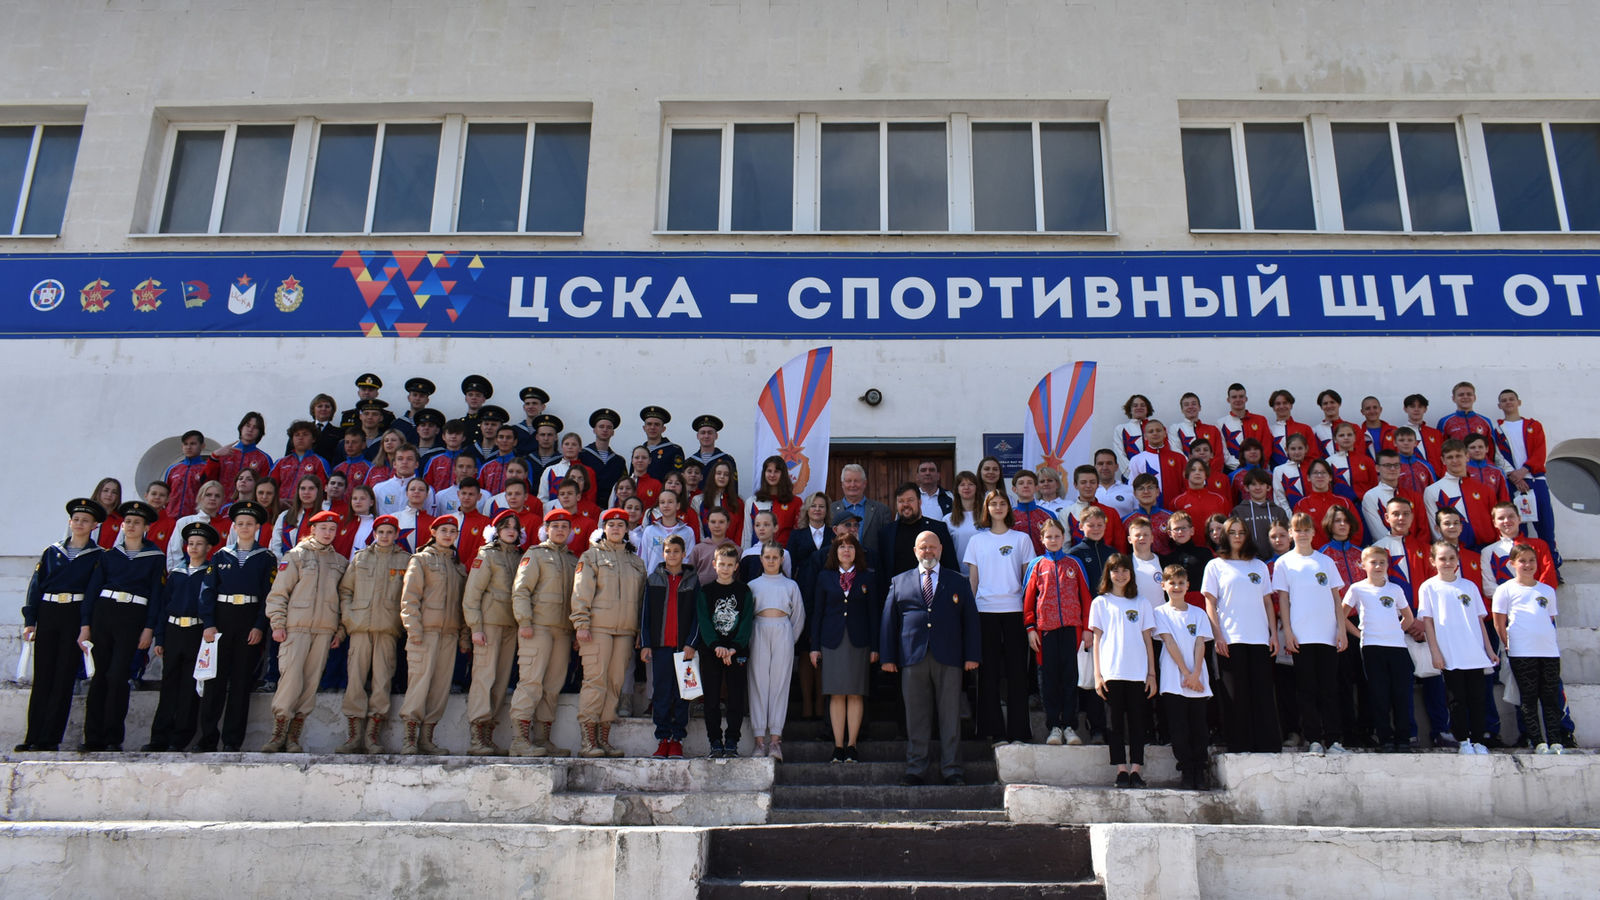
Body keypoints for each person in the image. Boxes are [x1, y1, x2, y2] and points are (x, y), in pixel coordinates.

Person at [881, 531, 981, 786]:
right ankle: (915, 769)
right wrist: (888, 656)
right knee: (916, 716)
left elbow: (970, 620)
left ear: (941, 550)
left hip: (949, 657)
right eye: (923, 547)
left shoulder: (958, 581)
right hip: (912, 658)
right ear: (915, 551)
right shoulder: (899, 582)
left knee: (950, 715)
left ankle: (952, 770)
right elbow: (888, 623)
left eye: (932, 547)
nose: (928, 552)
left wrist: (971, 655)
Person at [16, 498, 107, 753]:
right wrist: (30, 620)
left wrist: (85, 624)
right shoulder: (52, 551)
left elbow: (92, 592)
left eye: (85, 520)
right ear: (70, 522)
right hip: (49, 612)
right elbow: (36, 586)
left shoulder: (97, 556)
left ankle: (50, 737)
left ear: (94, 525)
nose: (80, 524)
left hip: (74, 615)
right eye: (76, 519)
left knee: (63, 677)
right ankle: (32, 735)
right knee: (43, 676)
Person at [78, 501, 166, 752]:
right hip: (104, 614)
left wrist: (149, 628)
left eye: (137, 522)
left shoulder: (154, 557)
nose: (131, 526)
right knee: (99, 677)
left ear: (146, 527)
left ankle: (112, 736)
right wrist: (86, 624)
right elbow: (93, 590)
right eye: (128, 522)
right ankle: (93, 736)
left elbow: (157, 595)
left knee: (118, 676)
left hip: (133, 616)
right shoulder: (109, 555)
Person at [260, 510, 345, 753]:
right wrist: (277, 623)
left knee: (310, 684)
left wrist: (339, 630)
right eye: (323, 528)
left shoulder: (339, 562)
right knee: (290, 680)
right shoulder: (296, 556)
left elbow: (343, 599)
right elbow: (279, 593)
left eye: (332, 529)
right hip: (295, 628)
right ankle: (278, 734)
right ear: (313, 529)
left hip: (324, 630)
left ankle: (294, 737)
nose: (328, 533)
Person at [1201, 516, 1281, 753]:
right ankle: (1239, 744)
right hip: (1231, 638)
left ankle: (1267, 743)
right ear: (1225, 536)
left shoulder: (1258, 566)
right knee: (1236, 693)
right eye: (1232, 532)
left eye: (1241, 532)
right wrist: (1218, 636)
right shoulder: (1215, 566)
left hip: (1259, 639)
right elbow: (1210, 604)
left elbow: (1267, 602)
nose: (1237, 536)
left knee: (1263, 692)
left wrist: (1273, 635)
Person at [571, 509, 646, 757]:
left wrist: (639, 631)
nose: (615, 529)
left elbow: (641, 600)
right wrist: (581, 624)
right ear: (604, 528)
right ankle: (588, 741)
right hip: (597, 629)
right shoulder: (591, 556)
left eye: (620, 525)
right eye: (611, 524)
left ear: (627, 529)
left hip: (625, 631)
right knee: (595, 682)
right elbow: (581, 592)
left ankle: (604, 739)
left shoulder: (636, 561)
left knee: (614, 685)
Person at [963, 487, 1035, 744]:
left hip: (1015, 611)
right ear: (987, 509)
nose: (998, 507)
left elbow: (1029, 580)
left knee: (1017, 674)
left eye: (1003, 503)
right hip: (985, 612)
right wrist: (969, 615)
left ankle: (1019, 732)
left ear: (1009, 507)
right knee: (988, 674)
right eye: (993, 504)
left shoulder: (1021, 539)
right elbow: (973, 580)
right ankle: (991, 730)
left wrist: (1030, 616)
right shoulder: (976, 540)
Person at [1273, 512, 1349, 755]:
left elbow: (1336, 599)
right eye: (1298, 529)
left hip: (1327, 635)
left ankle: (1334, 740)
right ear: (1291, 533)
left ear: (1314, 533)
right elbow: (1284, 600)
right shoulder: (1284, 563)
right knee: (1306, 689)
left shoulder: (1325, 562)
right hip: (1302, 635)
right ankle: (1314, 739)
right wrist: (1289, 632)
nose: (1302, 533)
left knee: (1329, 688)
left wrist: (1341, 631)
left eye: (1307, 529)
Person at [506, 508, 578, 757]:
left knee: (553, 685)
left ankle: (543, 739)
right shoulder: (535, 555)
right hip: (537, 628)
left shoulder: (572, 559)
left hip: (562, 631)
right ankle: (519, 740)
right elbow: (521, 589)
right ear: (546, 529)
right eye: (555, 526)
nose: (560, 530)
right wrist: (524, 621)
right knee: (531, 682)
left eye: (564, 526)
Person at [142, 521, 220, 752]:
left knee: (189, 687)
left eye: (200, 544)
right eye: (191, 544)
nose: (194, 548)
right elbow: (164, 605)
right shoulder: (176, 573)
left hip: (196, 632)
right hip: (174, 630)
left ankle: (180, 738)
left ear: (208, 548)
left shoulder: (209, 573)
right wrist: (160, 637)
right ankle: (159, 737)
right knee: (168, 686)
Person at [395, 515, 468, 755]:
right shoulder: (421, 560)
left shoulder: (458, 566)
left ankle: (427, 738)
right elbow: (410, 598)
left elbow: (462, 604)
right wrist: (413, 629)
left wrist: (463, 635)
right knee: (419, 684)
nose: (448, 535)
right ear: (433, 532)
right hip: (424, 633)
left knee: (439, 688)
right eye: (444, 530)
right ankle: (409, 739)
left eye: (453, 531)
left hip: (449, 634)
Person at [1419, 541, 1498, 754]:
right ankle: (1463, 741)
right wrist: (1435, 651)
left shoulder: (1469, 586)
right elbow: (1428, 622)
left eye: (1451, 558)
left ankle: (1479, 740)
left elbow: (1479, 621)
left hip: (1473, 652)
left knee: (1478, 699)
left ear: (1457, 560)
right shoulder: (1428, 587)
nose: (1447, 562)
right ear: (1433, 561)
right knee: (1456, 700)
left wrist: (1489, 650)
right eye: (1442, 558)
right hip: (1450, 653)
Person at [1492, 543, 1571, 753]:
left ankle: (1555, 740)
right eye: (1522, 561)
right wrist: (1507, 645)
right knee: (1528, 698)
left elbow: (1549, 618)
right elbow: (1499, 622)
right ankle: (1537, 741)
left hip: (1549, 651)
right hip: (1521, 651)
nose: (1527, 565)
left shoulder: (1546, 590)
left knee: (1550, 698)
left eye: (1531, 560)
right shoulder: (1505, 589)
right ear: (1512, 564)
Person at [453, 510, 520, 756]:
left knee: (501, 681)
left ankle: (488, 734)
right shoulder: (487, 555)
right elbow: (472, 596)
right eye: (505, 526)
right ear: (496, 530)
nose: (511, 530)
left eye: (514, 526)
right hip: (489, 625)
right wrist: (476, 628)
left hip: (510, 627)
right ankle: (477, 734)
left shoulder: (519, 557)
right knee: (484, 678)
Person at [1088, 554, 1157, 788]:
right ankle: (1120, 770)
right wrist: (1098, 675)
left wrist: (1151, 674)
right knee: (1114, 724)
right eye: (1115, 571)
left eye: (1124, 570)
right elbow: (1096, 641)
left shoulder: (1141, 602)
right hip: (1111, 673)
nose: (1120, 575)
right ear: (1108, 574)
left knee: (1138, 723)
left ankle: (1136, 769)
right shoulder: (1100, 603)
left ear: (1131, 573)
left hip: (1138, 673)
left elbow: (1148, 639)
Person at [1023, 516, 1092, 746]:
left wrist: (1087, 628)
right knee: (1049, 678)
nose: (1053, 540)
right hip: (1045, 631)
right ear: (1042, 539)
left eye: (1057, 536)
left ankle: (1070, 726)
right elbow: (1028, 599)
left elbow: (1086, 597)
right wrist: (1030, 627)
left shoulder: (1074, 564)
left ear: (1064, 538)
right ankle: (1054, 726)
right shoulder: (1037, 565)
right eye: (1048, 536)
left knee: (1070, 677)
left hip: (1072, 629)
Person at [1342, 546, 1417, 753]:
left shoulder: (1395, 590)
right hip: (1372, 648)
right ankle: (1385, 738)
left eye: (1382, 562)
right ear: (1363, 565)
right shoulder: (1357, 588)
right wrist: (1359, 634)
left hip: (1397, 648)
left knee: (1401, 693)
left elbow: (1408, 617)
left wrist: (1395, 631)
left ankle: (1403, 738)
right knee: (1379, 694)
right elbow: (1341, 614)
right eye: (1373, 562)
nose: (1378, 566)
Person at [811, 534, 877, 762]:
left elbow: (873, 616)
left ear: (856, 552)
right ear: (835, 552)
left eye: (850, 547)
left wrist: (876, 647)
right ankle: (838, 746)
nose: (846, 551)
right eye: (842, 547)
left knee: (856, 693)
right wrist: (814, 647)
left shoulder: (867, 577)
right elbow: (817, 613)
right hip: (832, 642)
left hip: (859, 642)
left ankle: (852, 745)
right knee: (837, 693)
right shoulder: (825, 577)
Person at [1152, 564, 1215, 789]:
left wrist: (1196, 673)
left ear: (1188, 585)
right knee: (1179, 728)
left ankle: (1200, 769)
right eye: (1172, 583)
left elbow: (1201, 643)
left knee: (1199, 727)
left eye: (1181, 583)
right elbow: (1168, 642)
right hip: (1174, 680)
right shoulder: (1159, 612)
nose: (1176, 587)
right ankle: (1187, 770)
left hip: (1197, 682)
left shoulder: (1198, 613)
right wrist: (1186, 673)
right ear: (1164, 585)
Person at [638, 535, 700, 760]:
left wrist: (691, 643)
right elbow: (645, 614)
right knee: (662, 693)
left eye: (676, 551)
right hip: (661, 647)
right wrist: (646, 644)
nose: (672, 555)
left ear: (684, 554)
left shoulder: (693, 580)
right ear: (662, 554)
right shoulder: (653, 578)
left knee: (682, 693)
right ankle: (663, 738)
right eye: (668, 551)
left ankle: (677, 739)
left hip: (684, 649)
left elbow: (698, 616)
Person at [695, 544, 755, 757]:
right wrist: (716, 646)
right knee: (711, 698)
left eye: (730, 565)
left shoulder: (744, 591)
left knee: (735, 698)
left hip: (736, 652)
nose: (725, 568)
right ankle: (714, 741)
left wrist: (733, 648)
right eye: (722, 564)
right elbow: (704, 620)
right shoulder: (706, 591)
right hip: (712, 651)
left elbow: (746, 621)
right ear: (714, 565)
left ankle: (732, 740)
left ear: (736, 566)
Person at [748, 542, 806, 761]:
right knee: (758, 684)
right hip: (759, 630)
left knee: (779, 685)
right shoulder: (753, 585)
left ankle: (775, 740)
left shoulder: (790, 586)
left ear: (782, 560)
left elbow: (798, 617)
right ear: (761, 559)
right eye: (767, 557)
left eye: (775, 557)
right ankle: (758, 741)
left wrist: (790, 639)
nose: (771, 561)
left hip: (783, 631)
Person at [1494, 389, 1560, 565]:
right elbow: (1498, 456)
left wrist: (1524, 471)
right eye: (1504, 400)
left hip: (1536, 480)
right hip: (1512, 483)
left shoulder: (1534, 425)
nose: (1508, 402)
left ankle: (1552, 567)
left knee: (1545, 525)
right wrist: (1515, 477)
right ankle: (1522, 566)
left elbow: (1540, 451)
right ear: (1499, 405)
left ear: (1519, 402)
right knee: (1518, 527)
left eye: (1511, 399)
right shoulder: (1497, 430)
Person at [1423, 440, 1496, 549]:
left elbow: (1495, 520)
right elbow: (1435, 528)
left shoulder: (1485, 489)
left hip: (1488, 547)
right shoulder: (1432, 490)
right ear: (1443, 460)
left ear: (1467, 457)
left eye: (1458, 456)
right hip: (1455, 551)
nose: (1455, 460)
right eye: (1450, 457)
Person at [831, 463, 892, 557]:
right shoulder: (831, 510)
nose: (852, 485)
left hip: (871, 565)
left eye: (857, 481)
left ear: (864, 484)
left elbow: (887, 544)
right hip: (838, 566)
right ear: (842, 484)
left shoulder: (881, 510)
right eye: (848, 481)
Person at [745, 455, 805, 547]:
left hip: (784, 555)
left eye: (776, 471)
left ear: (783, 474)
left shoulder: (796, 502)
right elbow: (747, 535)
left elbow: (799, 534)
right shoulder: (752, 501)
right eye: (769, 471)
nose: (772, 475)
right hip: (757, 556)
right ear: (764, 473)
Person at [210, 411, 274, 496]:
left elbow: (265, 488)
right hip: (221, 505)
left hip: (247, 506)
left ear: (260, 432)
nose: (250, 429)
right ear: (241, 428)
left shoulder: (264, 459)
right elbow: (208, 481)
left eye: (255, 427)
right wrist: (214, 456)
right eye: (247, 425)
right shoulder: (224, 453)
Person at [1126, 419, 1186, 509]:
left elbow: (1186, 485)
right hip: (1148, 511)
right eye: (1151, 431)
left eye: (1158, 430)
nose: (1155, 433)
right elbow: (1132, 487)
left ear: (1165, 433)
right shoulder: (1136, 460)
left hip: (1176, 510)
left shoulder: (1179, 458)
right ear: (1145, 436)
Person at [1436, 381, 1499, 463]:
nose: (1465, 397)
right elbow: (1440, 449)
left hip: (1483, 470)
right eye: (1461, 395)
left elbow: (1492, 449)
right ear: (1453, 399)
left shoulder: (1485, 421)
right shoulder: (1445, 422)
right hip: (1458, 468)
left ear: (1474, 397)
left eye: (1469, 394)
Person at [164, 429, 220, 519]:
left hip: (196, 517)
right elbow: (165, 494)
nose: (188, 447)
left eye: (193, 444)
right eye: (185, 444)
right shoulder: (172, 469)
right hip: (171, 518)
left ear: (202, 446)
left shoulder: (206, 468)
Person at [1215, 383, 1271, 472]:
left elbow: (1267, 447)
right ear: (1228, 400)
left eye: (1241, 396)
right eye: (1234, 397)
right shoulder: (1220, 423)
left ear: (1246, 399)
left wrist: (1256, 466)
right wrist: (1242, 467)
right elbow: (1223, 452)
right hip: (1234, 471)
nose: (1238, 399)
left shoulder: (1261, 420)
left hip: (1260, 470)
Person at [1233, 468, 1289, 554]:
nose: (1258, 488)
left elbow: (1288, 538)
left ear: (1268, 487)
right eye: (1253, 484)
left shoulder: (1279, 512)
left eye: (1262, 484)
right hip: (1249, 561)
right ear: (1246, 488)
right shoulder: (1238, 511)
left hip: (1276, 560)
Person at [271, 421, 331, 500]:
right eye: (297, 435)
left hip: (307, 509)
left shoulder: (320, 462)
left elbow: (322, 491)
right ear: (292, 439)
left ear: (313, 439)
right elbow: (270, 486)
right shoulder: (281, 462)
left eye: (305, 434)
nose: (300, 437)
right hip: (280, 508)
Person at [580, 408, 628, 503]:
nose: (605, 430)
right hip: (587, 506)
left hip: (610, 507)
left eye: (609, 427)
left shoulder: (619, 461)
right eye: (601, 426)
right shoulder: (582, 455)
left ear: (613, 432)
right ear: (594, 430)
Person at [942, 470, 985, 570]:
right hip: (957, 573)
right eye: (962, 484)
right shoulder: (947, 519)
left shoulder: (986, 517)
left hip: (984, 572)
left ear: (976, 488)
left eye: (971, 484)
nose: (966, 487)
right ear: (957, 489)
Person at [1266, 389, 1320, 467]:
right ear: (1273, 407)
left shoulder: (1305, 428)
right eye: (1278, 404)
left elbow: (1313, 456)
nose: (1281, 406)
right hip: (1277, 474)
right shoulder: (1269, 430)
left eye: (1285, 403)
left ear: (1291, 405)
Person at [1010, 469, 1056, 554]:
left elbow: (1056, 541)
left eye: (1030, 483)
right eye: (1021, 483)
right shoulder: (1008, 516)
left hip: (1043, 564)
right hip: (1016, 565)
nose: (1025, 486)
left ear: (1036, 488)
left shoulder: (1048, 515)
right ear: (1014, 489)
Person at [1173, 392, 1226, 464]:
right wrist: (1192, 470)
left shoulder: (1213, 430)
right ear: (1182, 410)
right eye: (1186, 405)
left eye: (1194, 404)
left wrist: (1211, 473)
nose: (1190, 407)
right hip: (1188, 473)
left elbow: (1219, 456)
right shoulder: (1175, 429)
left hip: (1212, 473)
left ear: (1200, 407)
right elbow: (1177, 452)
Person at [639, 405, 685, 480]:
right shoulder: (639, 452)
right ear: (644, 428)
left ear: (663, 429)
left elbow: (677, 478)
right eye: (649, 424)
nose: (652, 427)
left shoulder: (674, 450)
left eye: (656, 424)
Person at [1111, 394, 1151, 476]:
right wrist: (1131, 474)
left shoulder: (1156, 427)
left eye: (1143, 405)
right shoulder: (1121, 429)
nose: (1139, 407)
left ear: (1147, 409)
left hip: (1154, 475)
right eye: (1135, 405)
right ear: (1130, 409)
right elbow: (1119, 453)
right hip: (1131, 477)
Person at [1093, 449, 1136, 518]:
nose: (1105, 467)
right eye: (1100, 464)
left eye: (1109, 463)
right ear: (1095, 467)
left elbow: (1139, 518)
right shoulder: (1087, 492)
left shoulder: (1131, 490)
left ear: (1116, 467)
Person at [510, 386, 551, 456]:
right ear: (524, 407)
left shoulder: (549, 431)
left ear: (543, 407)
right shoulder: (515, 429)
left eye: (534, 403)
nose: (530, 406)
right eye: (527, 404)